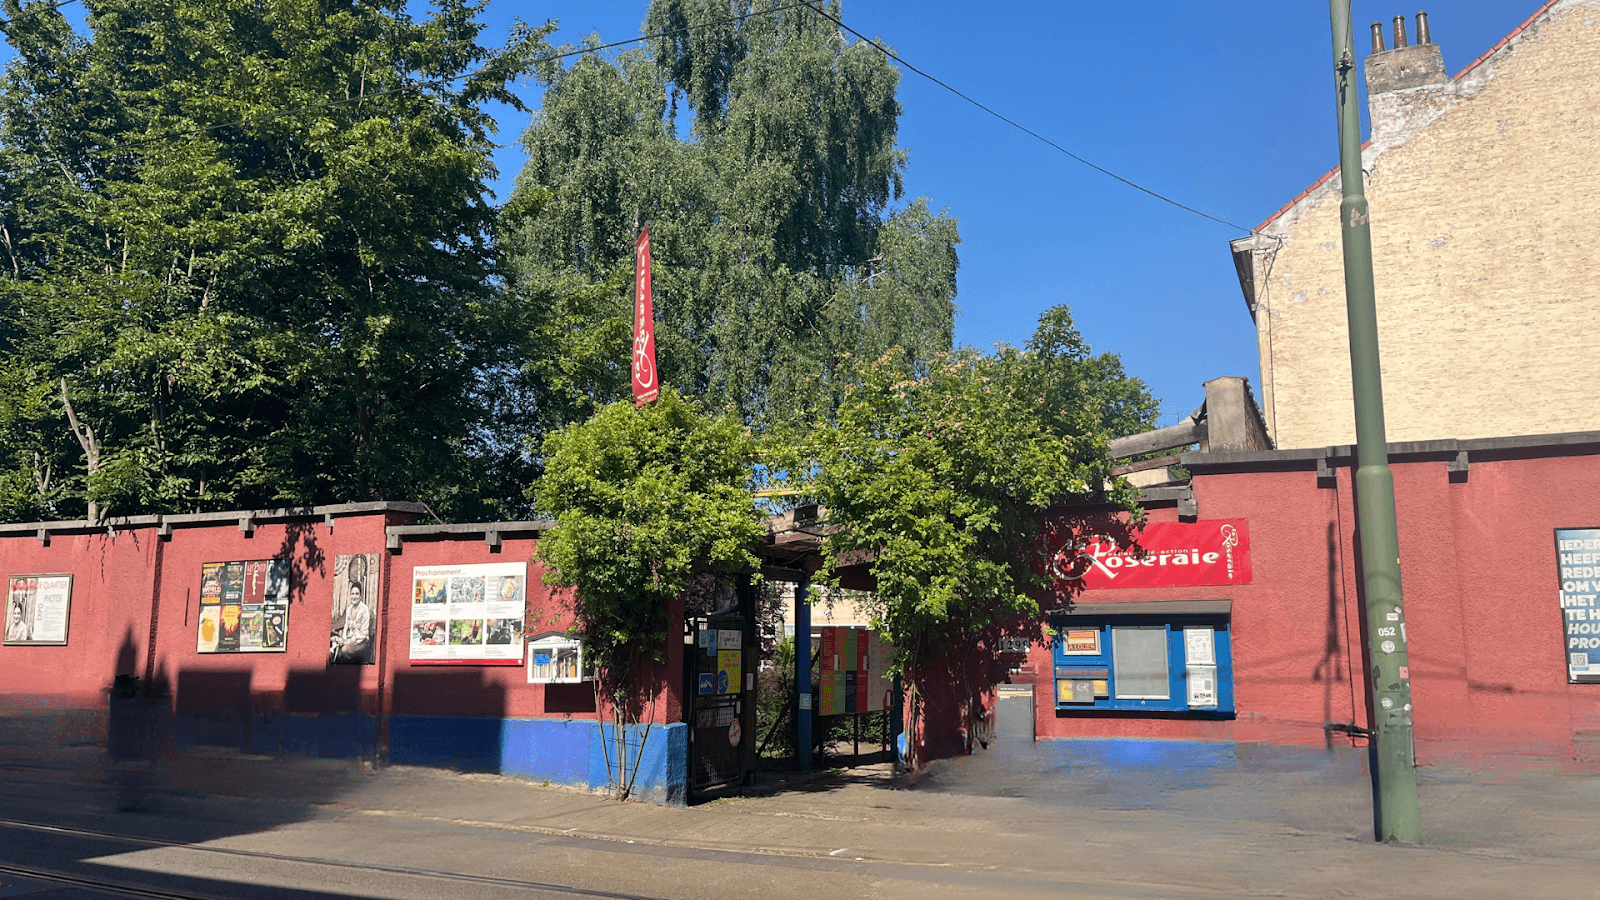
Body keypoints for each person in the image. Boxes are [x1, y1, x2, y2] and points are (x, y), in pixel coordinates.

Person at [330, 582, 373, 664]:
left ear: (360, 596)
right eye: (352, 594)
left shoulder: (365, 610)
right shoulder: (349, 609)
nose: (354, 597)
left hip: (362, 641)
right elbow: (346, 626)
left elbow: (363, 634)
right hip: (350, 639)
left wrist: (347, 642)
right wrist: (343, 639)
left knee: (343, 650)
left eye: (357, 594)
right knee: (333, 640)